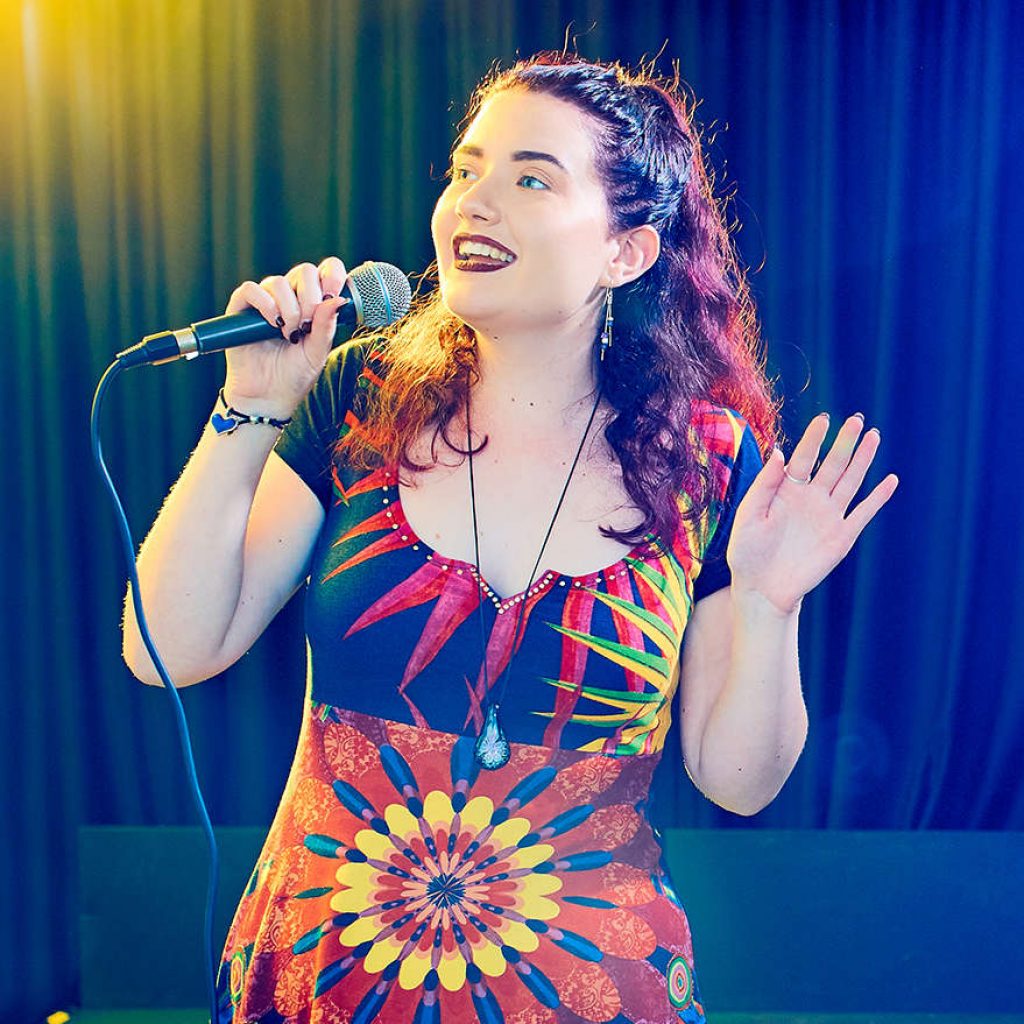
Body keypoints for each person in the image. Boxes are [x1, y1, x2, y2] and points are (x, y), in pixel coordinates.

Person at [122, 52, 898, 1024]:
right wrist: (252, 411)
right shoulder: (363, 402)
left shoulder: (707, 463)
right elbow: (168, 649)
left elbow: (737, 780)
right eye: (465, 169)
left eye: (530, 177)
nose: (472, 202)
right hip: (322, 979)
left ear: (628, 252)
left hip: (587, 986)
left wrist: (767, 603)